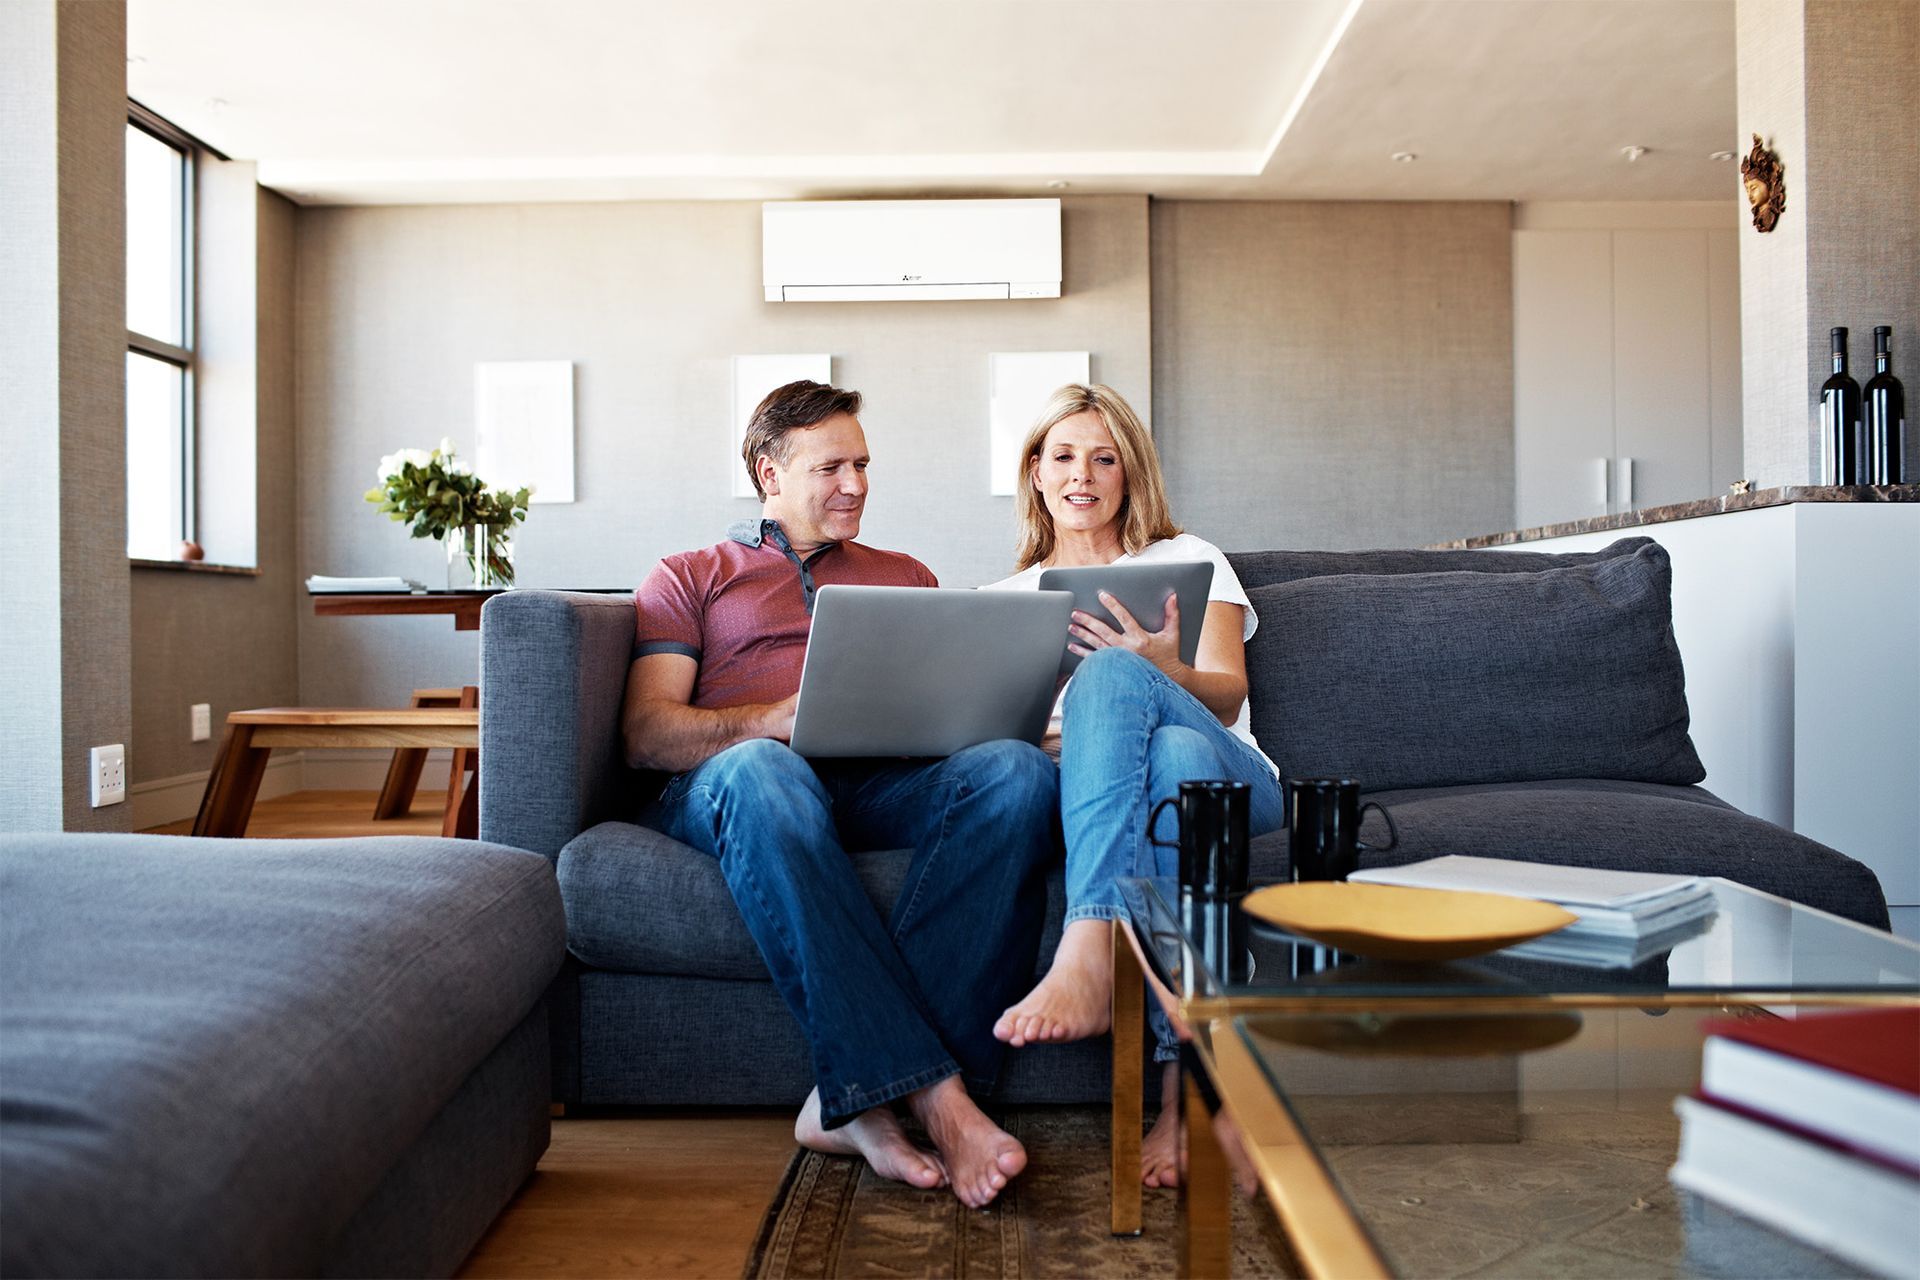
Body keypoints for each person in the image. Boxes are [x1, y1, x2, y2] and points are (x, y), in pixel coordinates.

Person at [622, 380, 1056, 1208]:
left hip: (880, 782)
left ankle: (851, 1101)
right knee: (764, 769)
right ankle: (938, 1099)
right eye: (831, 468)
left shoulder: (907, 576)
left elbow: (952, 713)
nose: (855, 484)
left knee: (1015, 771)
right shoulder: (690, 576)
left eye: (861, 465)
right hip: (742, 785)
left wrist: (999, 720)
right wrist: (767, 722)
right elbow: (647, 734)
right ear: (769, 473)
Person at [985, 383, 1283, 1187]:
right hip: (1136, 787)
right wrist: (1076, 731)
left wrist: (1160, 668)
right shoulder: (1001, 603)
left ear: (1130, 474)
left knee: (1136, 696)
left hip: (1237, 784)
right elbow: (990, 744)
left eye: (1105, 459)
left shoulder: (1190, 561)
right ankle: (1187, 1090)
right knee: (1171, 761)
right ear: (1036, 472)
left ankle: (1094, 936)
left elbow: (1229, 696)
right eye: (1063, 456)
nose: (1082, 475)